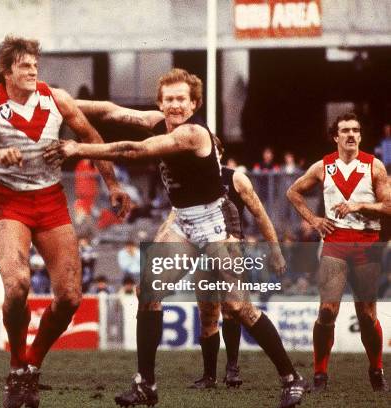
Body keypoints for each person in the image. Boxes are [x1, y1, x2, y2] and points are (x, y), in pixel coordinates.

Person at [45, 68, 306, 408]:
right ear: (160, 102)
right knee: (148, 291)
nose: (174, 106)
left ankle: (291, 378)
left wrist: (79, 148)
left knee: (239, 307)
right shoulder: (159, 120)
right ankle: (146, 385)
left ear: (194, 103)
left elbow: (134, 151)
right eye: (168, 99)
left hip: (214, 226)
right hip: (183, 222)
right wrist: (55, 101)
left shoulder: (194, 134)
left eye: (182, 99)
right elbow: (110, 110)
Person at [0, 35, 130, 408]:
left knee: (69, 297)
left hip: (51, 201)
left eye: (35, 64)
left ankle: (32, 366)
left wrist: (112, 184)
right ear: (7, 71)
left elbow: (91, 136)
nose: (33, 70)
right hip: (11, 203)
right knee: (17, 285)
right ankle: (18, 367)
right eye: (24, 65)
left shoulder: (57, 99)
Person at [287, 112, 390, 392]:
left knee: (367, 315)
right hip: (335, 242)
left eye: (355, 130)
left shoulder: (374, 166)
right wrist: (314, 219)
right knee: (327, 309)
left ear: (360, 135)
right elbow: (293, 192)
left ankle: (376, 370)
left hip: (367, 244)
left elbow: (389, 205)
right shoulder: (324, 166)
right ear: (336, 136)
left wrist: (359, 206)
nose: (351, 135)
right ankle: (320, 374)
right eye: (345, 130)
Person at [183, 135, 287, 389]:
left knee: (234, 309)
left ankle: (232, 368)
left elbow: (260, 215)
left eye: (211, 151)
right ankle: (209, 376)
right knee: (207, 312)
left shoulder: (236, 178)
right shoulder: (189, 181)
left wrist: (275, 250)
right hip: (202, 253)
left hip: (231, 251)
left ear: (218, 153)